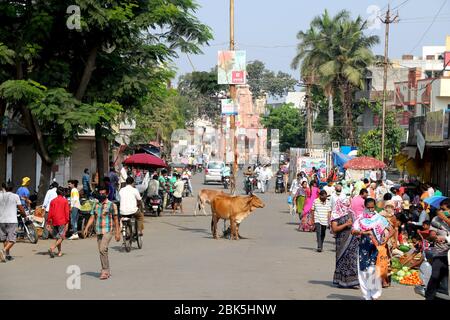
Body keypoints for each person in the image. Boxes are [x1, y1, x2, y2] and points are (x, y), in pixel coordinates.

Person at [352, 198, 392, 300]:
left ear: (375, 207)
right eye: (368, 207)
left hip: (376, 249)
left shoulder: (379, 218)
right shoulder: (360, 219)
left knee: (374, 271)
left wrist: (386, 237)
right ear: (364, 207)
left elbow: (390, 229)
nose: (370, 209)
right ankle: (367, 296)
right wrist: (364, 232)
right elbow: (353, 231)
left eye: (372, 207)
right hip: (363, 249)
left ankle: (375, 294)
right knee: (363, 273)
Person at [84, 186, 120, 280]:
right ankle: (106, 270)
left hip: (108, 230)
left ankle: (104, 271)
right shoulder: (96, 204)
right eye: (100, 194)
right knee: (102, 251)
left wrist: (117, 232)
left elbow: (116, 219)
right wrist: (86, 228)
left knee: (102, 249)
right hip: (98, 231)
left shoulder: (112, 205)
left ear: (107, 194)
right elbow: (92, 217)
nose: (101, 195)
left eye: (103, 194)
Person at [330, 197, 359, 288]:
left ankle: (353, 281)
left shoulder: (351, 213)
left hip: (353, 240)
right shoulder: (335, 214)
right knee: (342, 260)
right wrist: (346, 224)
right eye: (345, 204)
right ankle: (341, 281)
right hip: (341, 241)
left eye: (348, 204)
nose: (347, 205)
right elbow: (334, 229)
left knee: (352, 260)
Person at [0, 183, 26, 262]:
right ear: (12, 188)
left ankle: (7, 255)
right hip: (12, 220)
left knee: (5, 239)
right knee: (12, 240)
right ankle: (3, 251)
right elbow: (20, 208)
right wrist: (24, 214)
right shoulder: (15, 196)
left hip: (1, 220)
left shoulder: (0, 195)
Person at [47, 187, 70, 258]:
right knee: (62, 237)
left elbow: (50, 212)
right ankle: (52, 247)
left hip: (54, 221)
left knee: (58, 237)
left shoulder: (53, 201)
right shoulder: (65, 201)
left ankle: (59, 252)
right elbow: (67, 212)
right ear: (63, 193)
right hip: (62, 220)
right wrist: (67, 222)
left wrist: (48, 223)